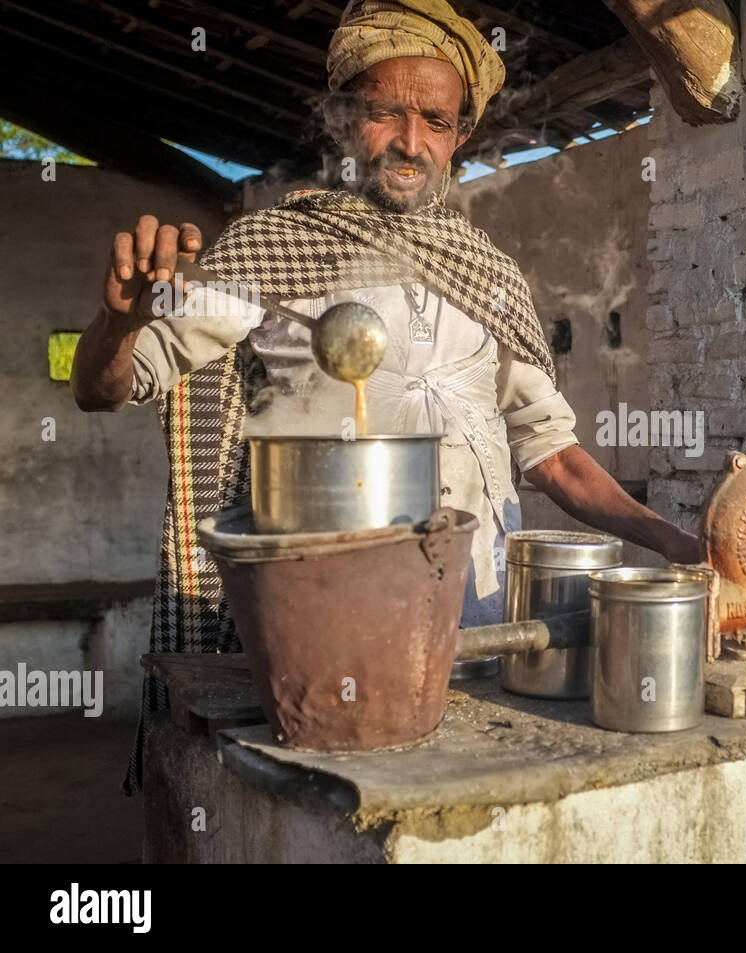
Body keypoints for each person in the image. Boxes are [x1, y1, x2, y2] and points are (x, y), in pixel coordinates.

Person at [70, 0, 699, 793]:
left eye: (435, 119)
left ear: (460, 134)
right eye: (384, 113)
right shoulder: (267, 250)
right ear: (343, 118)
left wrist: (672, 540)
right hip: (317, 629)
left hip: (475, 620)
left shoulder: (490, 275)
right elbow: (107, 387)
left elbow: (554, 457)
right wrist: (117, 323)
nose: (410, 142)